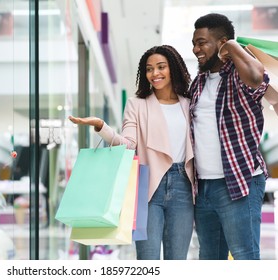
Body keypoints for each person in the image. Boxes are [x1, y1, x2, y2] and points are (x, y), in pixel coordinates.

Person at [69, 45, 196, 260]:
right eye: (149, 69)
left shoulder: (190, 104)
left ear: (173, 68)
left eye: (161, 67)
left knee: (178, 261)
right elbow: (128, 145)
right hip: (148, 187)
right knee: (147, 259)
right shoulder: (136, 105)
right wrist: (102, 127)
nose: (155, 73)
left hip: (184, 186)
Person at [190, 13, 270, 260]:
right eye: (194, 43)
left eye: (202, 42)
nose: (196, 49)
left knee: (245, 257)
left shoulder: (239, 76)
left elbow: (258, 78)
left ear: (221, 42)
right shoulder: (199, 82)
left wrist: (233, 46)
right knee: (210, 259)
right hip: (204, 187)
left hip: (238, 182)